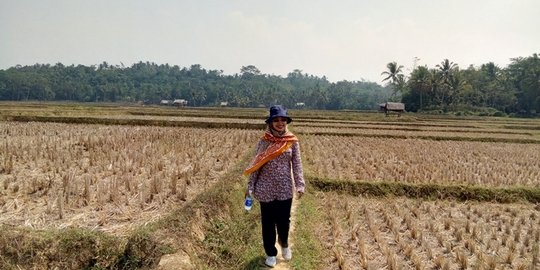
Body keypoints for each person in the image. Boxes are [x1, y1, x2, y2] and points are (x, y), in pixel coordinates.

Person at [244, 105, 306, 267]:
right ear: (270, 123)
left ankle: (284, 244)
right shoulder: (264, 141)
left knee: (284, 221)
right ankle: (270, 253)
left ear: (286, 122)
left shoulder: (292, 141)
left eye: (282, 120)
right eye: (276, 120)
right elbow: (257, 164)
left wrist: (300, 184)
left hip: (285, 188)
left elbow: (297, 164)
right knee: (268, 222)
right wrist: (250, 186)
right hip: (265, 189)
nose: (280, 123)